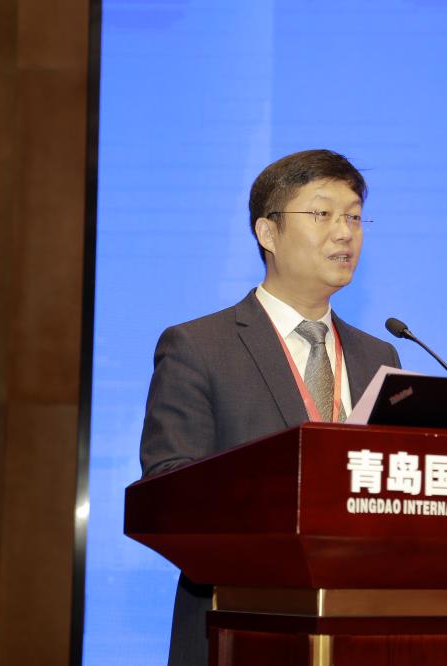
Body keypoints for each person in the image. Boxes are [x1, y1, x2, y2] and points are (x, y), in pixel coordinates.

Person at [139, 149, 401, 666]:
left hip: (362, 632)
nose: (345, 232)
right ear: (268, 233)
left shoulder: (380, 356)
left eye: (353, 217)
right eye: (322, 214)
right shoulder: (198, 347)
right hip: (238, 628)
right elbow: (169, 489)